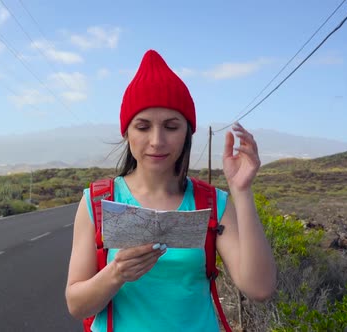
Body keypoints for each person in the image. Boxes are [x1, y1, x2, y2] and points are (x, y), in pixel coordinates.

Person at [65, 49, 277, 331]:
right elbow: (77, 304)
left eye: (171, 126)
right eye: (142, 127)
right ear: (126, 133)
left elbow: (259, 288)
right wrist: (116, 273)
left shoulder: (211, 203)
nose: (157, 140)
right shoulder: (98, 201)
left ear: (187, 132)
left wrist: (242, 190)